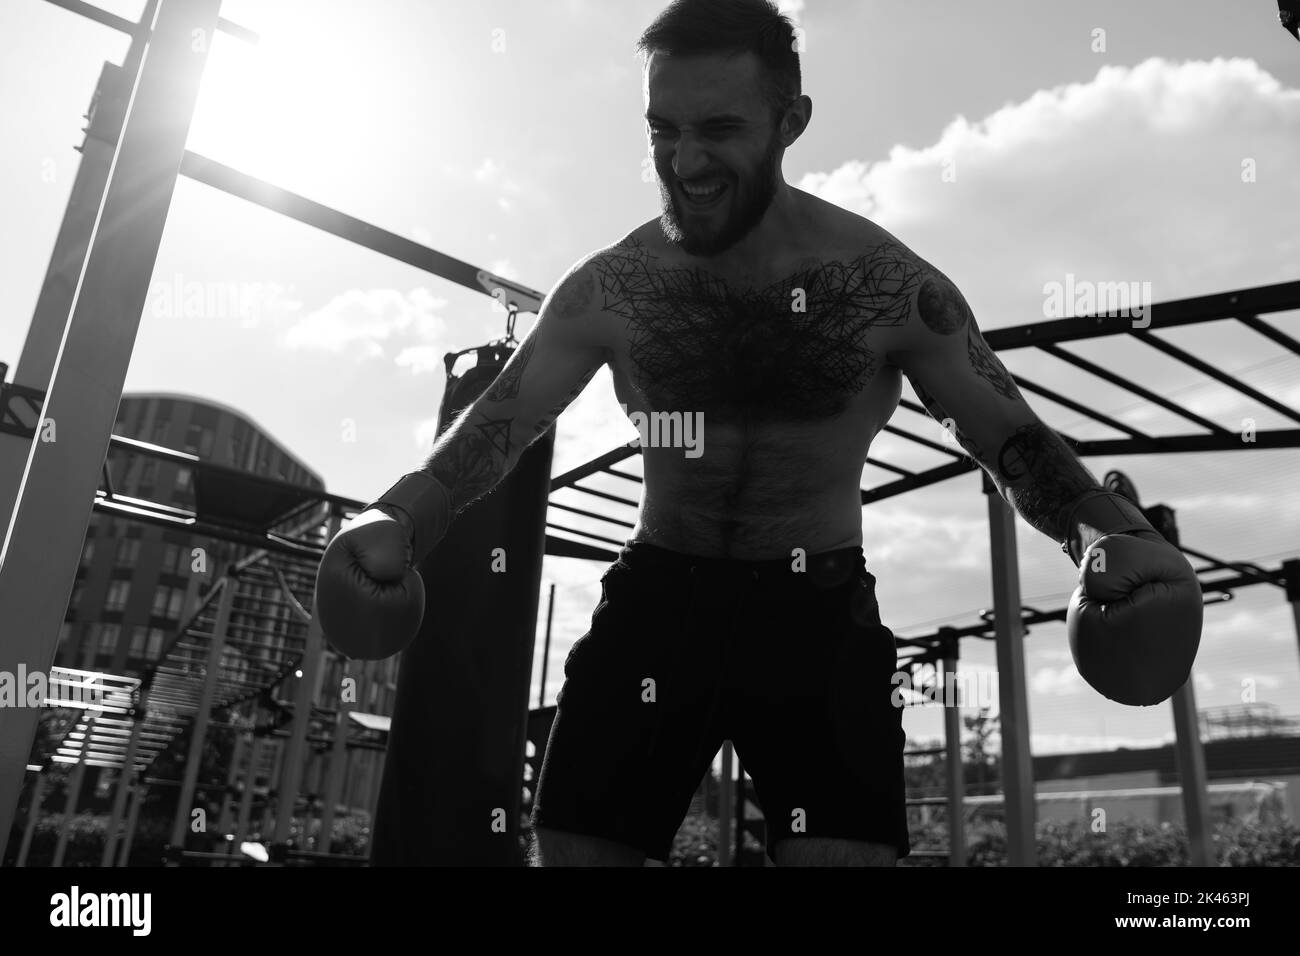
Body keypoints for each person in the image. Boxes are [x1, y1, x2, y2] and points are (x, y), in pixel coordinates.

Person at [319, 0, 1201, 866]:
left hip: (813, 610)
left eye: (719, 129)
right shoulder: (610, 289)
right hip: (659, 598)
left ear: (793, 121)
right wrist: (401, 515)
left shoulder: (888, 287)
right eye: (662, 129)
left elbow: (1007, 438)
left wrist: (1100, 532)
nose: (685, 161)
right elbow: (503, 423)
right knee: (581, 850)